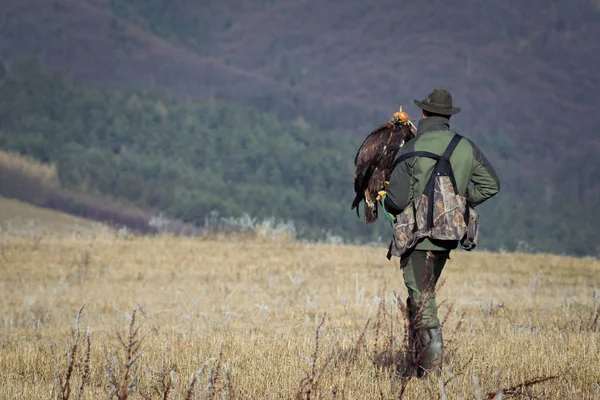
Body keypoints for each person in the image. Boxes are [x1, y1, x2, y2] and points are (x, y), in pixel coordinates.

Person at [383, 88, 500, 377]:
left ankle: (432, 376)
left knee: (422, 301)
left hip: (417, 240)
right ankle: (417, 367)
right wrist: (459, 202)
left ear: (423, 114)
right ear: (448, 116)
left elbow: (396, 201)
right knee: (422, 297)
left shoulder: (410, 148)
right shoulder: (466, 147)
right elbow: (490, 185)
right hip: (447, 238)